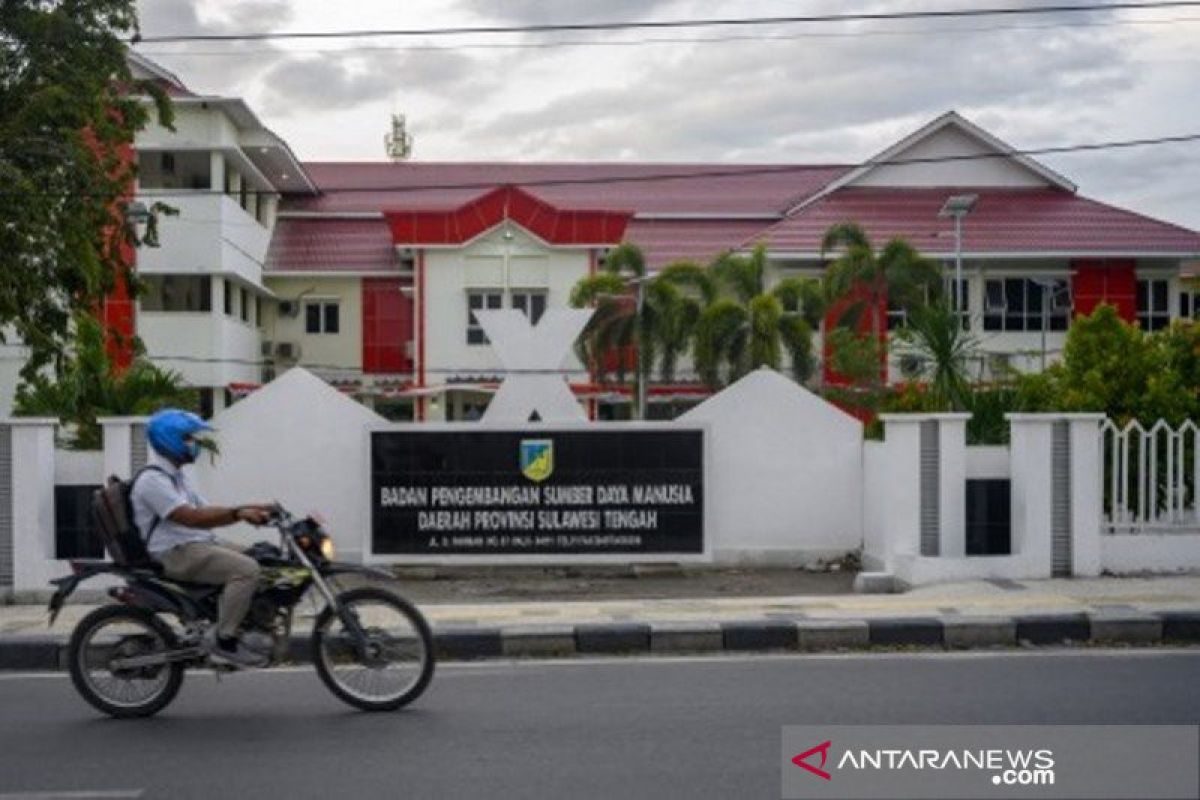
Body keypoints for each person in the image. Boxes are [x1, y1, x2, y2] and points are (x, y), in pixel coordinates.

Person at [131, 408, 274, 667]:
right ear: (170, 439)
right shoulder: (153, 481)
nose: (195, 443)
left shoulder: (176, 477)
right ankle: (224, 640)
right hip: (176, 553)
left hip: (194, 544)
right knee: (247, 570)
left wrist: (258, 507)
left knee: (264, 557)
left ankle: (232, 621)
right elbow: (191, 517)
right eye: (189, 438)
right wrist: (239, 513)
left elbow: (206, 511)